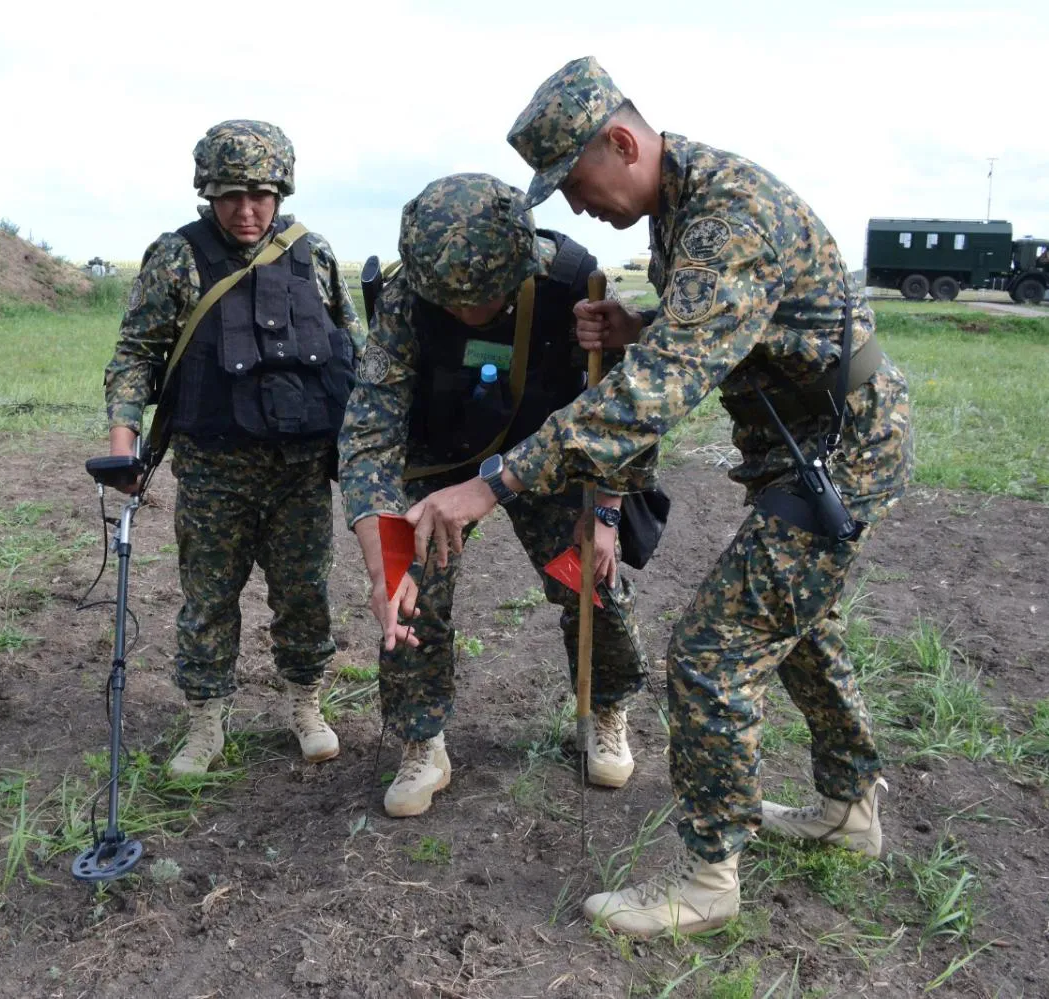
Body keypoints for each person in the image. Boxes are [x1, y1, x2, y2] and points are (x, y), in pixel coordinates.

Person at [405, 57, 912, 936]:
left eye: (575, 180)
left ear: (623, 141)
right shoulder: (681, 207)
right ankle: (849, 806)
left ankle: (708, 879)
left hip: (841, 456)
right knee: (797, 631)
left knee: (711, 653)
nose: (573, 206)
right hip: (800, 453)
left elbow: (656, 393)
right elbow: (734, 332)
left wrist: (495, 483)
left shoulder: (728, 215)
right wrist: (644, 328)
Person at [339, 173, 657, 818]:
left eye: (481, 299)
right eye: (449, 301)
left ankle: (606, 710)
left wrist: (604, 515)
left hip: (552, 459)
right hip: (442, 463)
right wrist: (383, 558)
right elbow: (370, 427)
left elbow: (627, 411)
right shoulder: (408, 296)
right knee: (411, 592)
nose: (463, 313)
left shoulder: (575, 284)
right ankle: (421, 740)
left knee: (589, 581)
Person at [103, 119, 364, 776]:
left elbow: (353, 354)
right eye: (230, 196)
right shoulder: (177, 257)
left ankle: (306, 704)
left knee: (305, 594)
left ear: (282, 191)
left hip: (301, 472)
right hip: (214, 470)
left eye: (260, 195)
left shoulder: (316, 255)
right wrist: (124, 442)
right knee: (209, 599)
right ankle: (206, 720)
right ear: (207, 193)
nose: (246, 211)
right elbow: (135, 354)